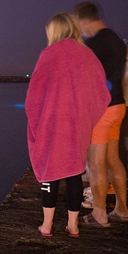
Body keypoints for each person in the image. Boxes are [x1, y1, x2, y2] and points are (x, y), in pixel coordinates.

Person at [26, 12, 110, 237]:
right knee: (74, 172)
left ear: (54, 31)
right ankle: (73, 225)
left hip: (53, 125)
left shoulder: (49, 54)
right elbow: (102, 93)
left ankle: (47, 225)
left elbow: (33, 97)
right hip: (77, 125)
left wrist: (35, 122)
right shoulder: (88, 55)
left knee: (50, 172)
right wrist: (87, 117)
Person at [73, 2, 128, 226]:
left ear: (82, 20)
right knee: (113, 159)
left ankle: (99, 214)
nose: (80, 30)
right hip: (118, 106)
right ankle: (121, 209)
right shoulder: (116, 40)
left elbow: (85, 80)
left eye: (78, 24)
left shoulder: (93, 44)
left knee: (96, 163)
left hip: (101, 110)